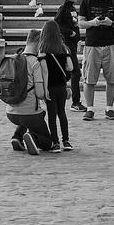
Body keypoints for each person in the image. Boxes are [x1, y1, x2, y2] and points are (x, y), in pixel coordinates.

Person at [78, 0, 114, 122]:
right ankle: (90, 108)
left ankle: (109, 108)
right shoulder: (86, 1)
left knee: (112, 78)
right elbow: (80, 23)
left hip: (111, 43)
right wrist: (93, 22)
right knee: (89, 79)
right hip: (92, 43)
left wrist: (110, 23)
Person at [5, 29, 54, 155]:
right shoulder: (35, 62)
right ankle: (33, 137)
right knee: (47, 142)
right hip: (30, 113)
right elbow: (40, 94)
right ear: (39, 43)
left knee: (23, 119)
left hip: (11, 112)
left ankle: (17, 136)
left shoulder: (13, 59)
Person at [38, 19, 75, 152]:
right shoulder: (63, 49)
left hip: (51, 87)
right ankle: (66, 141)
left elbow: (45, 72)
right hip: (62, 86)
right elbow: (70, 67)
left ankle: (55, 142)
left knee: (52, 115)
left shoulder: (43, 51)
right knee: (62, 113)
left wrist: (46, 88)